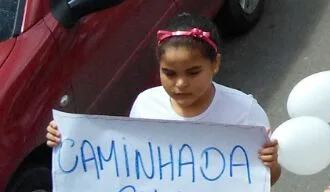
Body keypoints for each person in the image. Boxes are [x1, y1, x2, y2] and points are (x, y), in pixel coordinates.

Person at [46, 13, 282, 184]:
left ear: (215, 64)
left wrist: (270, 165)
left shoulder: (244, 111)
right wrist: (68, 139)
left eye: (193, 72)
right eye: (169, 73)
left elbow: (263, 181)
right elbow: (126, 163)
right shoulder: (146, 105)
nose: (180, 84)